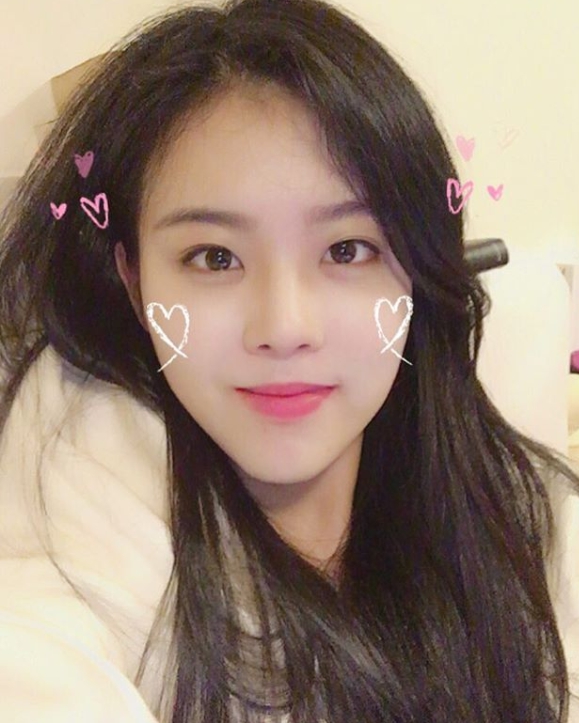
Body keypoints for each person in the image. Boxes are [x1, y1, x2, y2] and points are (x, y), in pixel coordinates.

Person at [0, 0, 578, 721]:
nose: (283, 328)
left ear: (417, 268)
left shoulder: (521, 518)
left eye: (346, 250)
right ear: (134, 280)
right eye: (214, 258)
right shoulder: (79, 506)